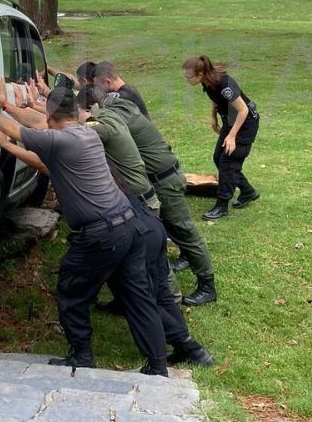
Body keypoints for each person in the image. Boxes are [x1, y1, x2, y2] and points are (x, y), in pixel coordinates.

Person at [0, 84, 169, 375]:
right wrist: (9, 136)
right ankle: (158, 367)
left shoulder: (58, 141)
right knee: (138, 296)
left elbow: (16, 129)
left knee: (71, 291)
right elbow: (42, 156)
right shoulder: (86, 133)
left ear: (51, 118)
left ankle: (82, 356)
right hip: (130, 225)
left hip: (101, 235)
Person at [99, 92, 218, 307]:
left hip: (164, 180)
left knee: (184, 231)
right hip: (161, 178)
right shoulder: (124, 106)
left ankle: (207, 286)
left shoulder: (114, 117)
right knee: (165, 233)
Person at [105, 164, 214, 367]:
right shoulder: (101, 161)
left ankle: (189, 347)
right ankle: (184, 348)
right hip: (151, 226)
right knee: (161, 293)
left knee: (139, 298)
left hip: (136, 233)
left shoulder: (85, 163)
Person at [183, 56, 260, 221]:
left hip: (244, 124)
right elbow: (215, 99)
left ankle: (222, 205)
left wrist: (232, 136)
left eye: (188, 77)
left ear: (200, 73)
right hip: (230, 120)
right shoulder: (207, 81)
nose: (186, 80)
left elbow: (243, 110)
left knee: (228, 162)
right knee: (218, 158)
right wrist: (213, 116)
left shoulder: (225, 85)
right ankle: (248, 191)